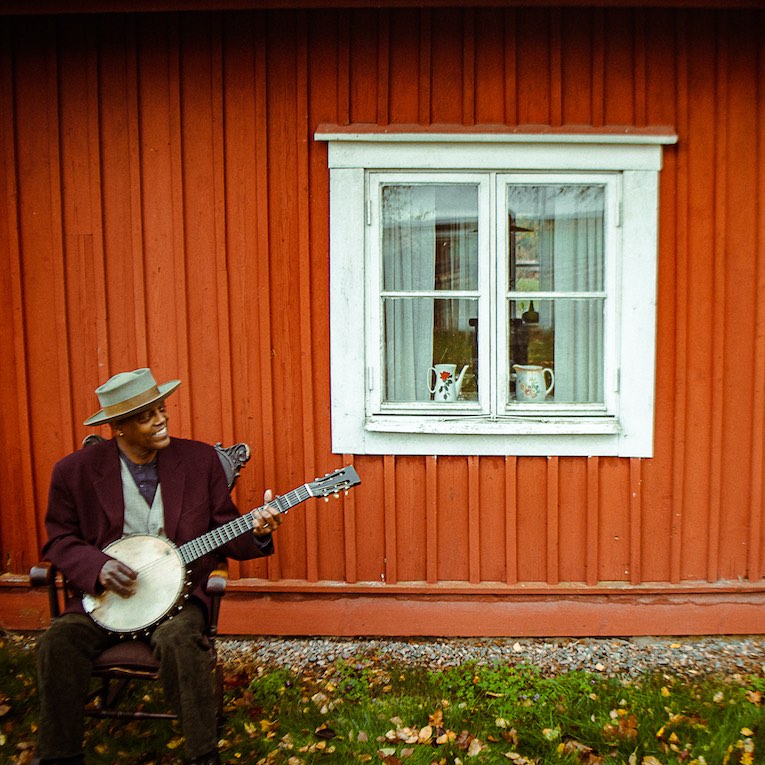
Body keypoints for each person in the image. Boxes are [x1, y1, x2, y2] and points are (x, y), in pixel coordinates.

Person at [34, 368, 283, 765]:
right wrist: (96, 567)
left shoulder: (198, 461)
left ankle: (202, 756)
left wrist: (257, 531)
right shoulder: (75, 471)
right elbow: (59, 539)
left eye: (161, 409)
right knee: (58, 643)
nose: (161, 419)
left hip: (179, 600)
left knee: (179, 641)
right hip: (106, 601)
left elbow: (227, 531)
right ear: (118, 427)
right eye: (147, 415)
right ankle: (59, 755)